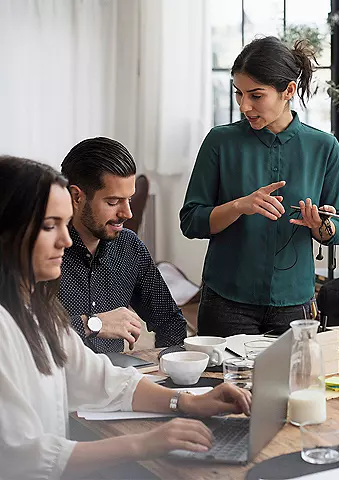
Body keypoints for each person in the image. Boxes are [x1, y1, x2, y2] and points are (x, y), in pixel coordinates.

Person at [0, 156, 251, 479]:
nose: (65, 240)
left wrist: (188, 402)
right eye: (50, 226)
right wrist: (143, 444)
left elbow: (100, 379)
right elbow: (22, 456)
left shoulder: (37, 310)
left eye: (64, 224)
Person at [180, 36, 339, 336]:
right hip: (226, 302)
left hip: (295, 305)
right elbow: (191, 221)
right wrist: (238, 206)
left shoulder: (324, 147)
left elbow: (338, 230)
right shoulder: (220, 142)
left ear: (288, 91)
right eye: (239, 93)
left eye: (256, 95)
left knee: (295, 370)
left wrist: (319, 225)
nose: (244, 106)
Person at [59, 137, 186, 353]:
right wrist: (92, 324)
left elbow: (170, 321)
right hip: (59, 373)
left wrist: (167, 365)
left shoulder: (129, 246)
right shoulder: (42, 252)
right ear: (77, 197)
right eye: (113, 202)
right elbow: (22, 336)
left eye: (129, 199)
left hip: (115, 373)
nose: (127, 213)